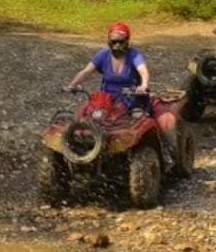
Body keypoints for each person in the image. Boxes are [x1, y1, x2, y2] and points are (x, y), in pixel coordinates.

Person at [62, 21, 179, 161]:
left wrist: (144, 85)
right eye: (113, 41)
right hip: (108, 101)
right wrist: (72, 84)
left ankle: (162, 153)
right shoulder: (103, 55)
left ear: (127, 41)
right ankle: (81, 150)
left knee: (138, 120)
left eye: (120, 41)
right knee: (84, 116)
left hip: (133, 98)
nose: (117, 45)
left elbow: (143, 70)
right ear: (109, 41)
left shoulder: (134, 55)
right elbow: (87, 71)